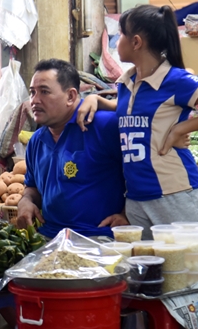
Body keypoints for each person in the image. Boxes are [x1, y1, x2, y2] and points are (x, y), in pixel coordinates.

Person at [78, 4, 198, 240]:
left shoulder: (176, 80)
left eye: (121, 34)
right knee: (148, 273)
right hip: (137, 199)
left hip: (175, 196)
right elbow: (126, 110)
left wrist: (182, 128)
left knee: (185, 271)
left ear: (136, 42)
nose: (117, 40)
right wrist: (96, 100)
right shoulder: (128, 82)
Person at [16, 59, 128, 239]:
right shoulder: (36, 141)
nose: (34, 100)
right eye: (32, 92)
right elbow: (32, 187)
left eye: (44, 92)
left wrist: (127, 213)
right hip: (49, 238)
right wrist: (26, 201)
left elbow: (144, 170)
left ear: (70, 96)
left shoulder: (104, 125)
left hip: (99, 239)